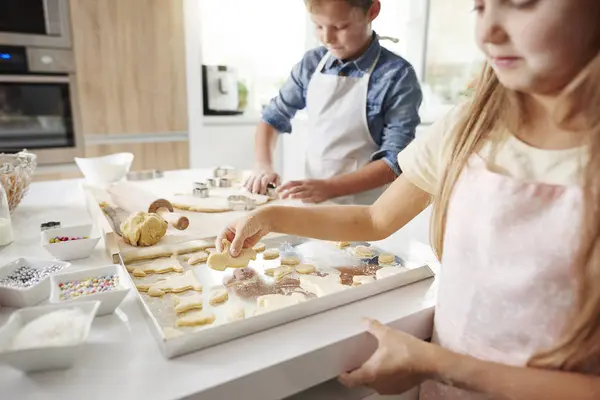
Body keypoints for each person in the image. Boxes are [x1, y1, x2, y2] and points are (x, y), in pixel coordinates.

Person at [218, 0, 600, 398]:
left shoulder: (395, 76)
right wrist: (273, 216)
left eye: (521, 4)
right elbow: (375, 220)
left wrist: (436, 363)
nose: (487, 34)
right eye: (479, 8)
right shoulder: (466, 126)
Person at [244, 0, 422, 205]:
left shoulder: (396, 76)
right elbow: (272, 118)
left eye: (340, 27)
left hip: (365, 212)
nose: (327, 39)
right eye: (318, 26)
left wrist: (329, 188)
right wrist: (263, 166)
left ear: (372, 11)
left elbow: (395, 162)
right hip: (314, 202)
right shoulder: (311, 64)